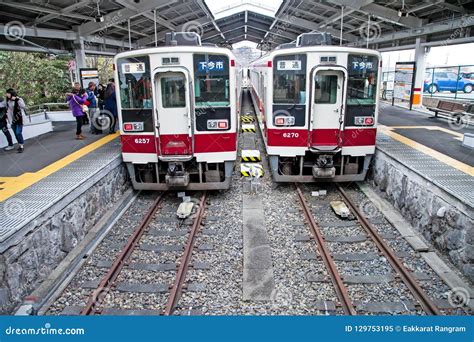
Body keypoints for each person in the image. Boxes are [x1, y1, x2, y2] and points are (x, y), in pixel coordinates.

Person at [6, 89, 26, 153]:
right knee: (15, 134)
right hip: (13, 120)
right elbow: (9, 112)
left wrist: (17, 100)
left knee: (18, 132)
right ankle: (20, 145)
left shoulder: (19, 99)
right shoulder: (8, 101)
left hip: (20, 119)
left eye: (8, 93)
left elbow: (23, 106)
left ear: (11, 93)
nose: (7, 95)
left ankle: (21, 146)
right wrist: (10, 121)